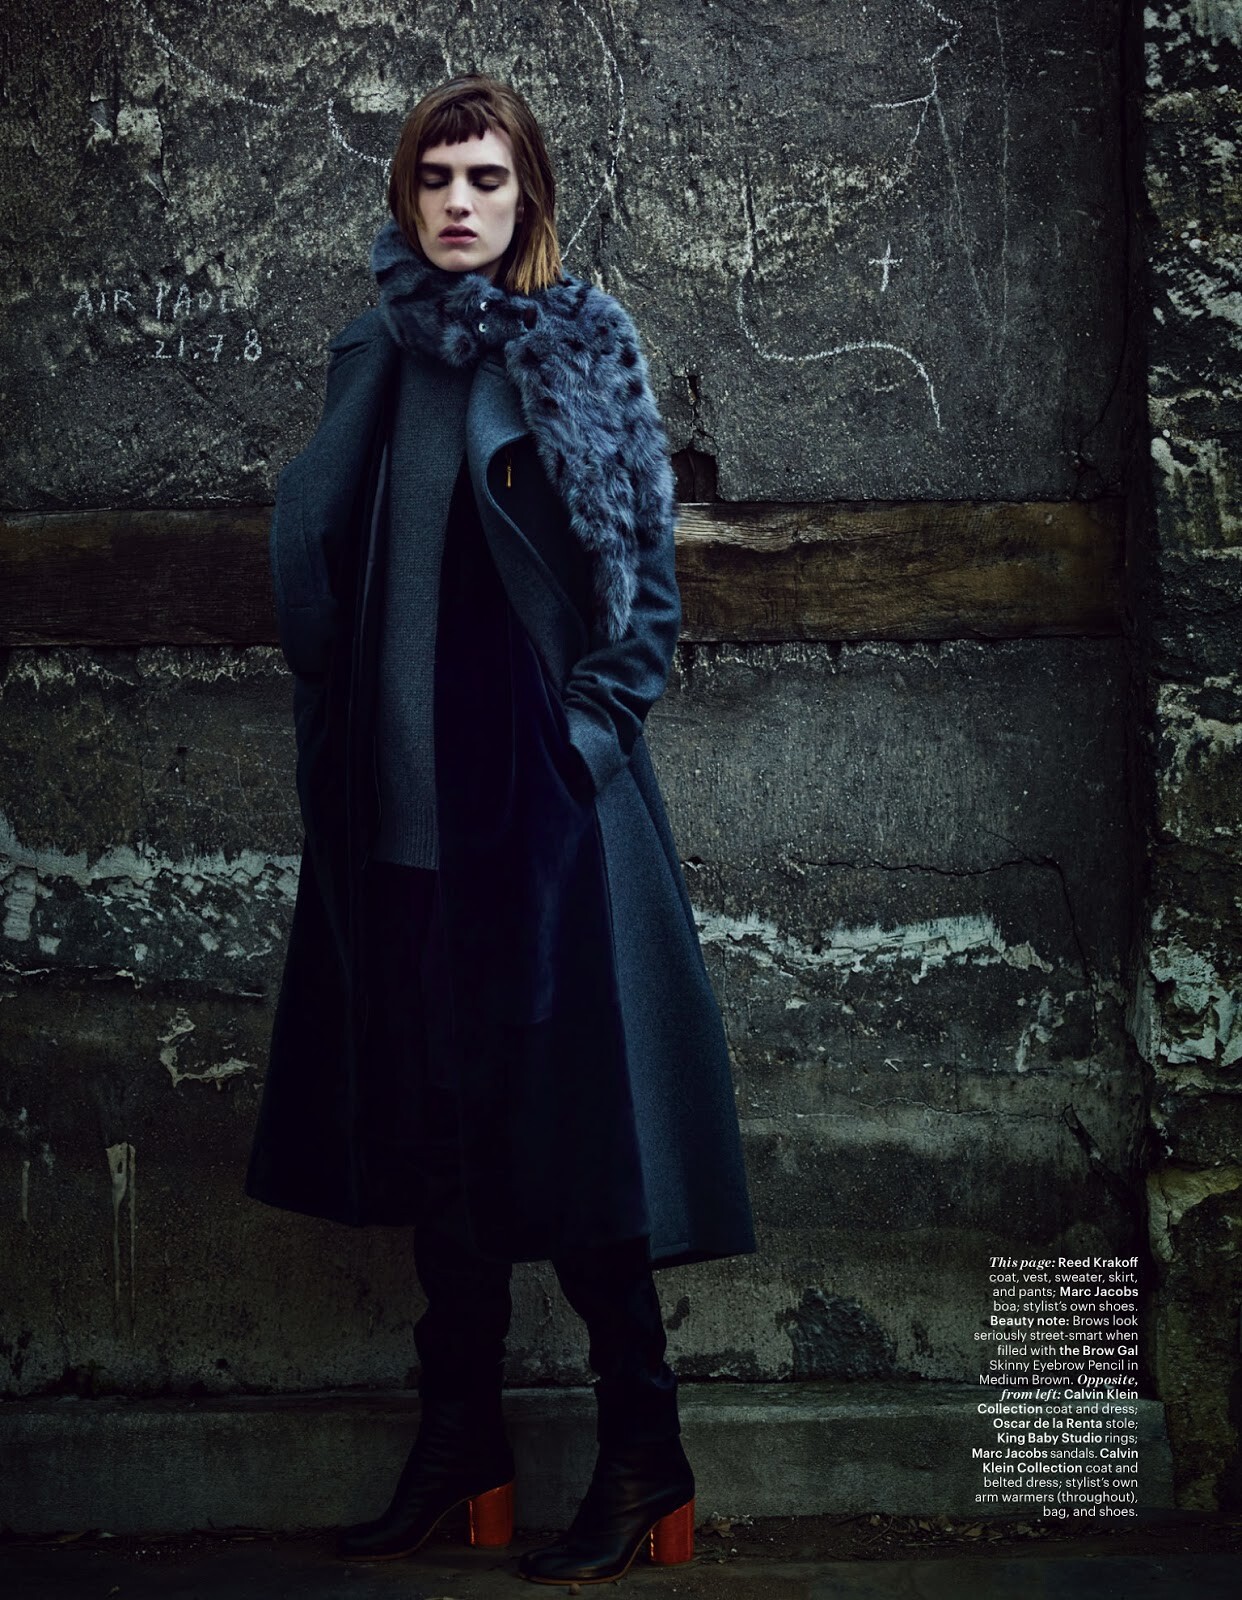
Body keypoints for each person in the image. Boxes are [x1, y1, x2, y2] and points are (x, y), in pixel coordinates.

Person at [244, 73, 756, 1586]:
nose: (458, 203)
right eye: (435, 178)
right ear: (405, 197)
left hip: (541, 833)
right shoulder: (373, 356)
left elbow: (642, 601)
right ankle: (460, 1446)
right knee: (438, 1148)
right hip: (394, 830)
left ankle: (644, 1456)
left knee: (584, 1155)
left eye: (485, 178)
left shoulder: (575, 348)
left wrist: (575, 750)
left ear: (527, 194)